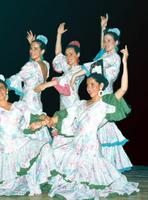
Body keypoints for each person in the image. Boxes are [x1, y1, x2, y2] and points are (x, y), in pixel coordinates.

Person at [29, 46, 139, 199]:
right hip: (75, 145)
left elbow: (123, 89)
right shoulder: (81, 104)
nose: (88, 88)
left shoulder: (104, 103)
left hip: (90, 149)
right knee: (53, 152)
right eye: (87, 85)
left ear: (101, 86)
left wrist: (125, 62)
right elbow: (63, 115)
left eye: (92, 84)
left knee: (87, 184)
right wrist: (45, 121)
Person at [0, 58, 56, 196]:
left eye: (2, 88)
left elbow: (34, 116)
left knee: (44, 146)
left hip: (22, 143)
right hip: (6, 149)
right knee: (9, 185)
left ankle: (44, 178)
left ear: (7, 90)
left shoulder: (19, 106)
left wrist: (46, 119)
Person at [70, 14, 132, 172]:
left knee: (96, 131)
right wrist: (102, 29)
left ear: (116, 43)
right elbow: (100, 54)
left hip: (106, 97)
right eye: (105, 40)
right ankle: (96, 167)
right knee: (97, 132)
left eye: (109, 41)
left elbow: (97, 64)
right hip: (97, 95)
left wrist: (77, 74)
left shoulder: (115, 58)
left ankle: (103, 168)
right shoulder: (106, 55)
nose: (106, 43)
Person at [6, 33, 52, 142]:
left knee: (27, 132)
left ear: (42, 52)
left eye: (35, 49)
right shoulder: (46, 65)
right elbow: (35, 67)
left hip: (28, 103)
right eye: (31, 48)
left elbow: (18, 77)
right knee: (38, 131)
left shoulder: (30, 66)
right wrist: (32, 43)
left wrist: (3, 83)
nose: (32, 51)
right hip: (37, 103)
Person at [34, 23, 89, 110]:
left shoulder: (80, 69)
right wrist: (59, 34)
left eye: (71, 54)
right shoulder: (67, 67)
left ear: (78, 54)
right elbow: (58, 54)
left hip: (73, 105)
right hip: (63, 105)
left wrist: (44, 85)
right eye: (67, 55)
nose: (68, 57)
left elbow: (63, 80)